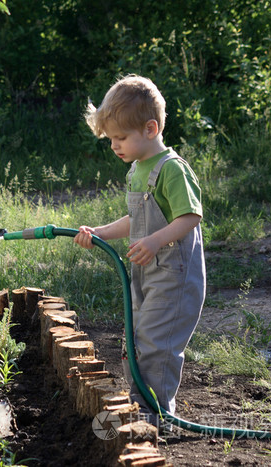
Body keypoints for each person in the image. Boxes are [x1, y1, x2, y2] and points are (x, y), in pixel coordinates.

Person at [73, 75, 206, 431]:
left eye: (121, 137)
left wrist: (155, 241)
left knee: (156, 345)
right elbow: (136, 218)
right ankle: (143, 408)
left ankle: (154, 418)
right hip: (147, 273)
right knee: (138, 341)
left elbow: (190, 217)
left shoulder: (172, 169)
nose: (115, 145)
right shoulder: (137, 169)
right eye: (111, 139)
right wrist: (100, 232)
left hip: (174, 276)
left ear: (150, 128)